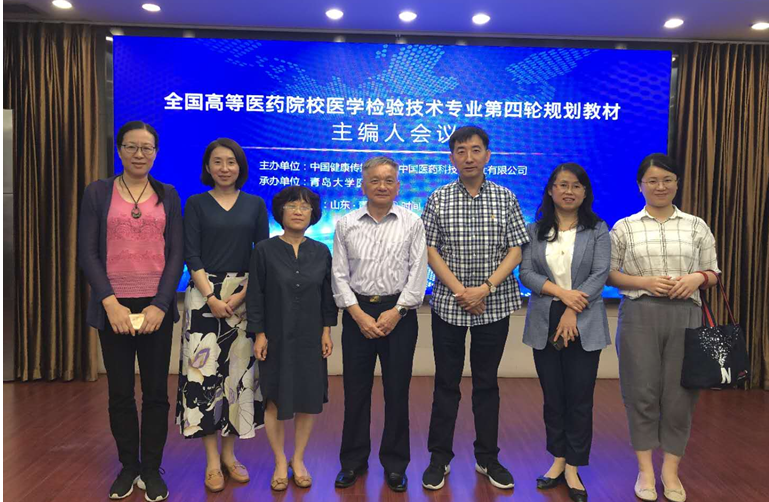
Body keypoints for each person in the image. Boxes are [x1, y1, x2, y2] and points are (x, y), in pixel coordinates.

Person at [78, 121, 183, 501]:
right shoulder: (98, 192)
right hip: (114, 307)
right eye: (132, 147)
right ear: (119, 149)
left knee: (156, 393)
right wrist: (109, 302)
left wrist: (161, 304)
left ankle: (151, 469)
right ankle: (128, 467)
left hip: (156, 307)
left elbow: (176, 253)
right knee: (120, 392)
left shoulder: (168, 194)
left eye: (147, 148)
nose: (140, 154)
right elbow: (87, 252)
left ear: (156, 152)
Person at [421, 125, 529, 491]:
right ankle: (439, 457)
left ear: (487, 155)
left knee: (486, 383)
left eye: (476, 150)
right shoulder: (438, 198)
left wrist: (484, 289)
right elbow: (430, 249)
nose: (469, 157)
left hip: (493, 304)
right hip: (448, 306)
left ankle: (487, 458)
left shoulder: (505, 197)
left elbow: (516, 249)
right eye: (461, 151)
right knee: (445, 383)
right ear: (451, 157)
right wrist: (460, 292)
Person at [608, 154, 720, 502]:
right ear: (640, 185)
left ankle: (670, 472)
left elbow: (713, 272)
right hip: (639, 315)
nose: (660, 186)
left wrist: (696, 278)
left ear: (677, 183)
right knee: (640, 393)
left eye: (667, 180)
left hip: (686, 316)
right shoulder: (624, 227)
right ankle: (645, 471)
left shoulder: (696, 225)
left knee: (680, 397)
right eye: (652, 181)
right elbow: (609, 274)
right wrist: (644, 282)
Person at [175, 138, 268, 493]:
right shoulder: (196, 203)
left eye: (231, 161)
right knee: (203, 377)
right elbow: (191, 254)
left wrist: (244, 294)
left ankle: (230, 455)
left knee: (237, 378)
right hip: (203, 297)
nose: (225, 168)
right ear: (208, 167)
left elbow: (261, 253)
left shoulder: (255, 204)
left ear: (240, 166)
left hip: (243, 296)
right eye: (217, 161)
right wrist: (211, 296)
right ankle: (212, 461)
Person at [331, 156, 428, 492]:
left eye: (389, 180)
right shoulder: (346, 223)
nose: (382, 186)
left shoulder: (412, 223)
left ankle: (396, 465)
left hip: (399, 314)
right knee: (355, 392)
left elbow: (418, 273)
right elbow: (339, 274)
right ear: (363, 185)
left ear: (398, 187)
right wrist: (357, 314)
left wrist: (397, 311)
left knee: (397, 392)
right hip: (356, 313)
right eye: (375, 180)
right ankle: (352, 462)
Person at [519, 163, 611, 502]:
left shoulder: (598, 229)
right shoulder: (534, 230)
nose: (568, 191)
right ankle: (557, 459)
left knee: (580, 397)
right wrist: (562, 295)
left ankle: (574, 465)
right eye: (561, 185)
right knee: (553, 396)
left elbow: (600, 273)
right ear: (551, 190)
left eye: (575, 185)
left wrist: (573, 307)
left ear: (585, 192)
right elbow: (526, 273)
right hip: (546, 317)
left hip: (584, 317)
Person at [247, 186, 338, 491]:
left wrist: (326, 331)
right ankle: (278, 460)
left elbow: (327, 296)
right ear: (280, 212)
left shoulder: (322, 252)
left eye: (305, 206)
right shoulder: (264, 250)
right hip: (276, 337)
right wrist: (259, 334)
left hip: (311, 336)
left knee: (308, 400)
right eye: (292, 205)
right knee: (275, 397)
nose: (298, 211)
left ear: (313, 214)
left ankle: (298, 459)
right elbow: (256, 296)